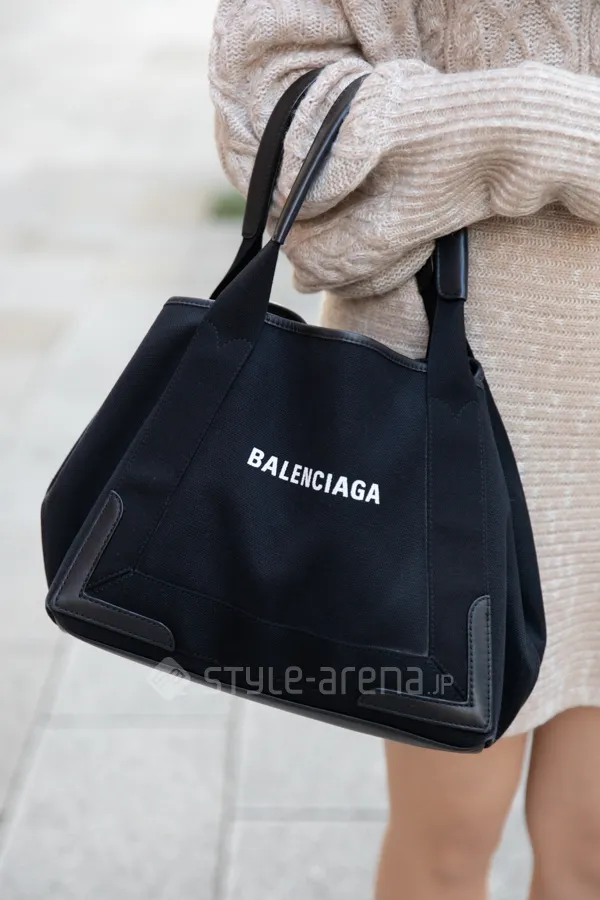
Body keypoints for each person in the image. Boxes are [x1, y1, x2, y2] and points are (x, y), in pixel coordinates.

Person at [208, 3, 600, 898]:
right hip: (461, 410)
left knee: (590, 851)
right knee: (449, 845)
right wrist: (541, 121)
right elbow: (269, 116)